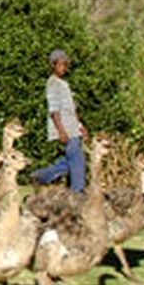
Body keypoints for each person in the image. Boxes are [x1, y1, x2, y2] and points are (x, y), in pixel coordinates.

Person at [31, 48, 88, 193]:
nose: (64, 68)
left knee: (71, 160)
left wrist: (80, 126)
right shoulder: (53, 84)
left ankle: (42, 175)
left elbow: (71, 109)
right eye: (61, 65)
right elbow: (54, 110)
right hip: (66, 129)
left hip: (73, 128)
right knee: (77, 160)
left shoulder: (63, 84)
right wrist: (61, 131)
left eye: (65, 65)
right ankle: (77, 192)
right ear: (53, 65)